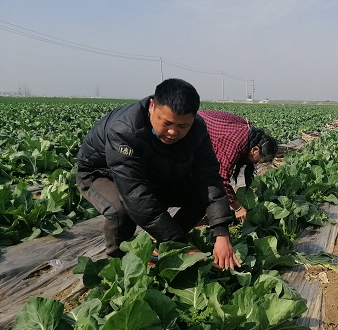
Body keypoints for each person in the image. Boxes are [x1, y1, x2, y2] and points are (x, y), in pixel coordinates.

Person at [76, 78, 241, 270]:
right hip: (101, 173)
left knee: (199, 194)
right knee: (120, 210)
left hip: (153, 170)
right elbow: (135, 195)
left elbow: (209, 178)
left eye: (182, 126)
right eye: (167, 122)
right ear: (152, 106)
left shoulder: (197, 129)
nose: (173, 132)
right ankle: (119, 265)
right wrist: (182, 245)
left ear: (193, 118)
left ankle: (163, 245)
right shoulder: (125, 130)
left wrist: (221, 233)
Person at [197, 110, 278, 222]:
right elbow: (221, 178)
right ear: (255, 149)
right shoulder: (236, 142)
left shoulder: (249, 134)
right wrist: (238, 207)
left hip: (196, 131)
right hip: (189, 130)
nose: (256, 163)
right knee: (200, 191)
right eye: (258, 160)